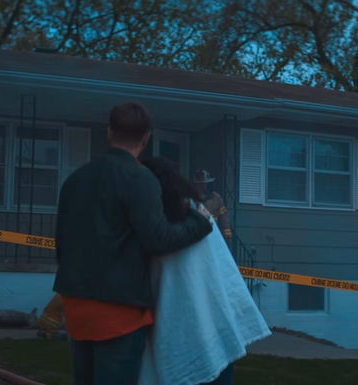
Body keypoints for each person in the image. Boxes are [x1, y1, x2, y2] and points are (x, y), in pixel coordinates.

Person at [53, 101, 213, 385]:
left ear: (109, 132)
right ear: (145, 138)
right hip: (119, 313)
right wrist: (199, 222)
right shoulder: (140, 179)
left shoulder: (75, 180)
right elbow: (159, 238)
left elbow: (61, 244)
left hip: (76, 306)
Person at [139, 157, 271, 385]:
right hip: (200, 328)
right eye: (200, 181)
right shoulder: (190, 213)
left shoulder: (198, 210)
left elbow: (220, 236)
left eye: (205, 181)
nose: (203, 184)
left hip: (206, 327)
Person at [193, 169, 232, 242]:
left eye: (206, 183)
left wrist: (227, 236)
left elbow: (223, 220)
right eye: (201, 183)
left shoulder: (216, 199)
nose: (204, 186)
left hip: (213, 237)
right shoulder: (190, 198)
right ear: (196, 184)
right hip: (196, 238)